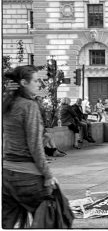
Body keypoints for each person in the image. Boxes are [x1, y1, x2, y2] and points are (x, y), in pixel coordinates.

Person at [2, 65, 59, 228]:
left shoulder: (7, 105)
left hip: (7, 174)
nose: (38, 84)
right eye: (35, 80)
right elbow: (35, 146)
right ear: (23, 83)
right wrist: (48, 175)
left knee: (6, 222)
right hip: (28, 176)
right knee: (50, 219)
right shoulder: (29, 106)